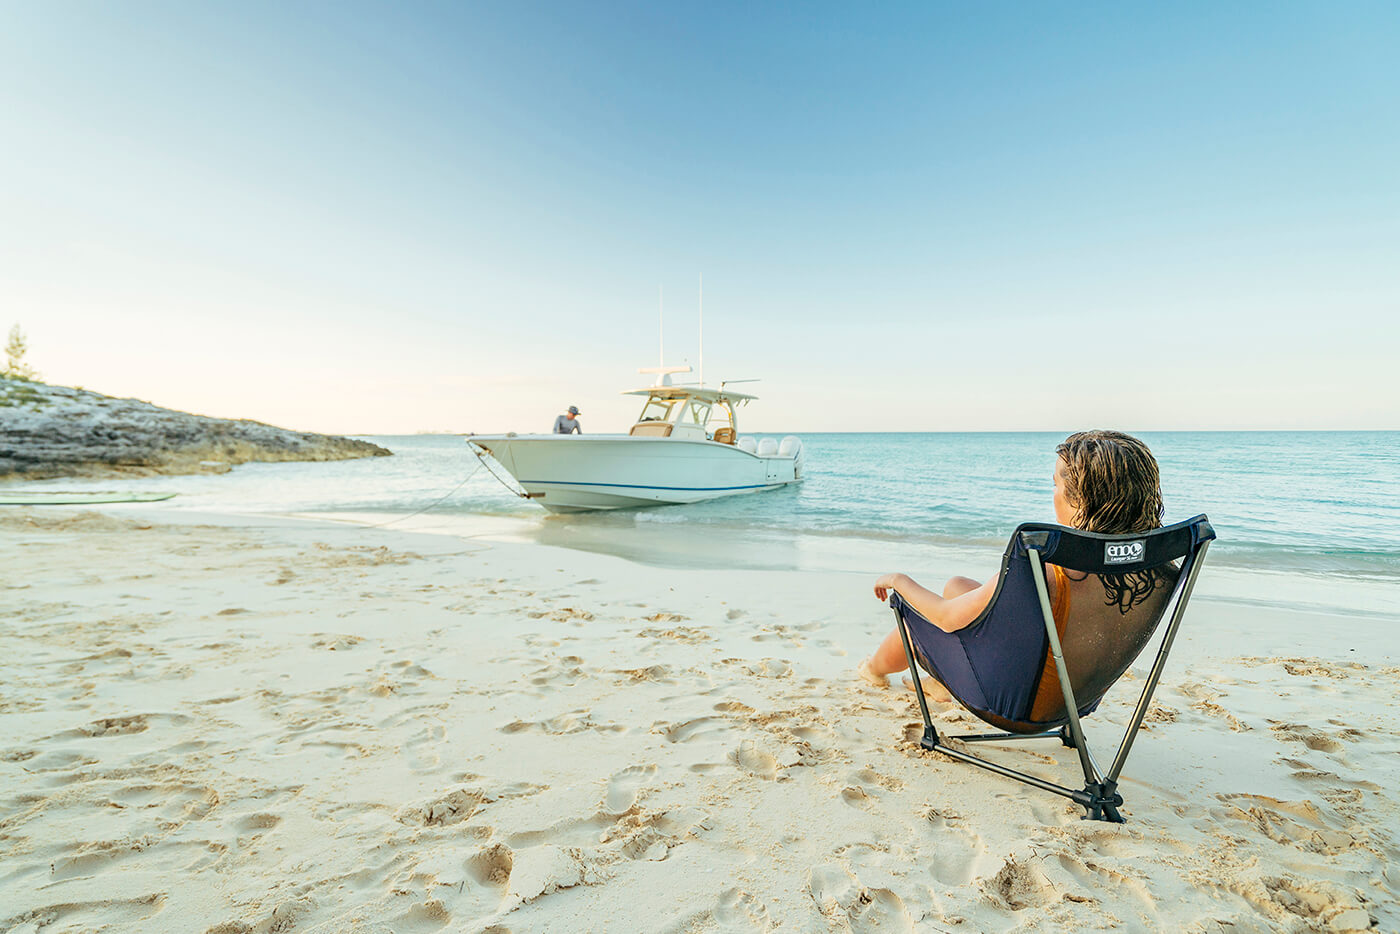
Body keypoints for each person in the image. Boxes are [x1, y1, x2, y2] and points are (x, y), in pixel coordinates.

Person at [859, 430, 1167, 702]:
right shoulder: (1151, 565)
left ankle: (873, 670)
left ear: (1081, 500)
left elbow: (946, 618)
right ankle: (940, 684)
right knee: (957, 586)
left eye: (1055, 484)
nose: (1053, 493)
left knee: (919, 622)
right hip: (1077, 697)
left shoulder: (1048, 568)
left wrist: (898, 579)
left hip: (1014, 699)